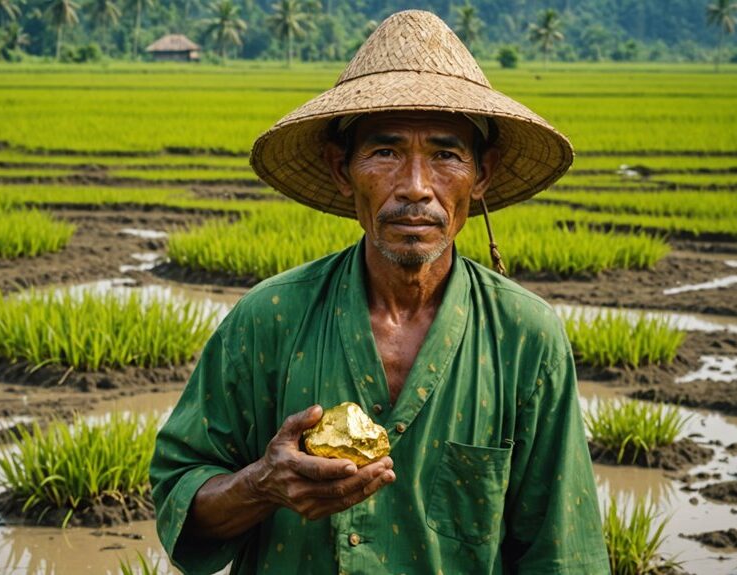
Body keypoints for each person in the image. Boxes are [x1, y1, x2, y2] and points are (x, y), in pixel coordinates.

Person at [150, 10, 610, 575]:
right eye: (386, 152)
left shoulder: (525, 338)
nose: (416, 188)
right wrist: (262, 485)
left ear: (482, 174)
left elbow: (562, 553)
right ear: (342, 169)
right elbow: (180, 494)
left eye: (445, 155)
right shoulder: (268, 317)